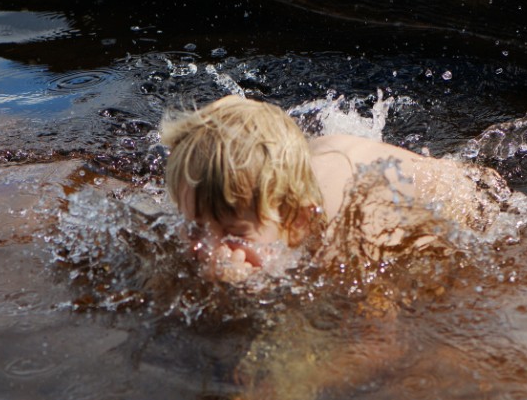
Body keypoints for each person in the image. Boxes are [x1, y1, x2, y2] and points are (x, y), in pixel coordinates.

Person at [160, 94, 491, 282]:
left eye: (234, 233)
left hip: (464, 198)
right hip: (334, 160)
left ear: (298, 222)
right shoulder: (234, 201)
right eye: (196, 227)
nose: (209, 248)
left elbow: (376, 340)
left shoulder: (349, 237)